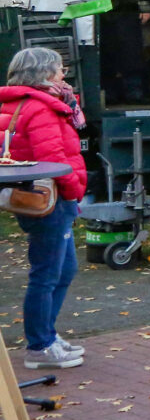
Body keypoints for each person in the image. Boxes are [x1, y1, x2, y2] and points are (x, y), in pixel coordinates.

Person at [3, 47, 89, 370]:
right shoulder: (42, 109)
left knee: (62, 270)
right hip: (52, 200)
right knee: (48, 273)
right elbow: (54, 159)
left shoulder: (19, 103)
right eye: (58, 70)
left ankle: (46, 336)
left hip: (37, 198)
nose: (63, 74)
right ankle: (39, 345)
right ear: (44, 76)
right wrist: (73, 193)